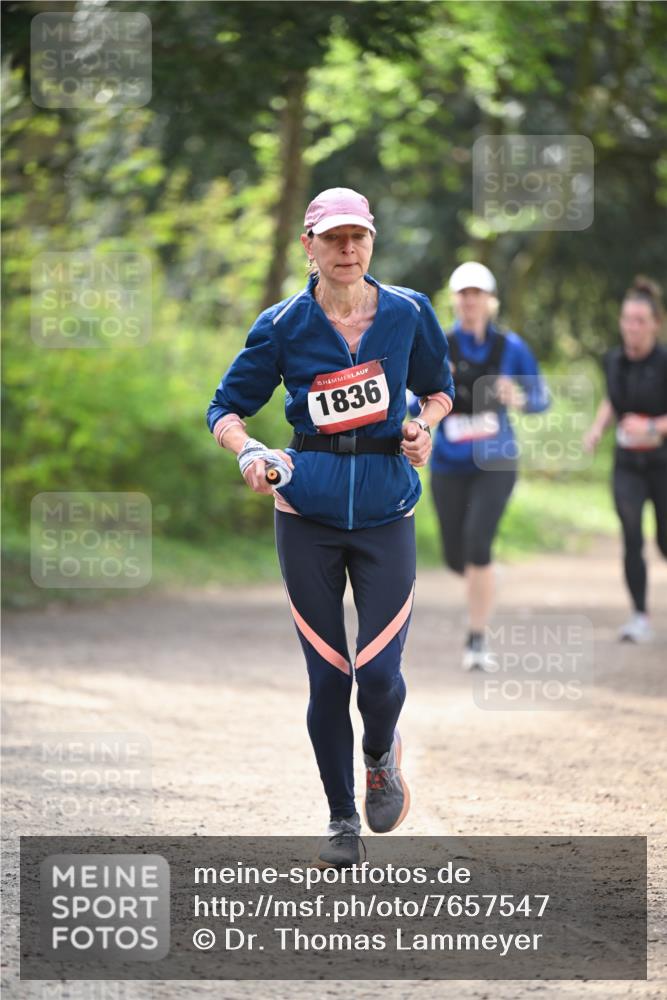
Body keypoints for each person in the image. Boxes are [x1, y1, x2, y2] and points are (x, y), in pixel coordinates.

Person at [206, 188, 454, 866]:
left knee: (377, 673)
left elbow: (439, 389)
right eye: (333, 239)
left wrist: (421, 426)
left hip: (385, 512)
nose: (347, 249)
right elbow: (225, 408)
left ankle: (379, 757)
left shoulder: (407, 312)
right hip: (305, 514)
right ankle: (342, 817)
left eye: (358, 237)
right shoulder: (283, 325)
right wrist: (249, 452)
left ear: (371, 241)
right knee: (329, 677)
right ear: (308, 247)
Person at [410, 261, 549, 670]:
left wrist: (517, 397)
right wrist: (423, 404)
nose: (470, 301)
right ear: (454, 301)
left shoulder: (511, 347)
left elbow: (541, 398)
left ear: (491, 301)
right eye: (464, 294)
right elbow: (409, 398)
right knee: (457, 559)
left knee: (477, 544)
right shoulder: (439, 345)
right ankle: (485, 578)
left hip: (496, 463)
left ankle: (476, 640)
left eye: (478, 294)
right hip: (449, 464)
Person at [584, 276, 667, 643]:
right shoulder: (613, 360)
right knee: (631, 535)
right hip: (628, 464)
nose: (632, 327)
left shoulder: (664, 362)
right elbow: (613, 401)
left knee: (665, 540)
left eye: (640, 321)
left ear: (655, 324)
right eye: (627, 320)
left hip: (663, 463)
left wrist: (652, 426)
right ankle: (639, 616)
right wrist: (597, 428)